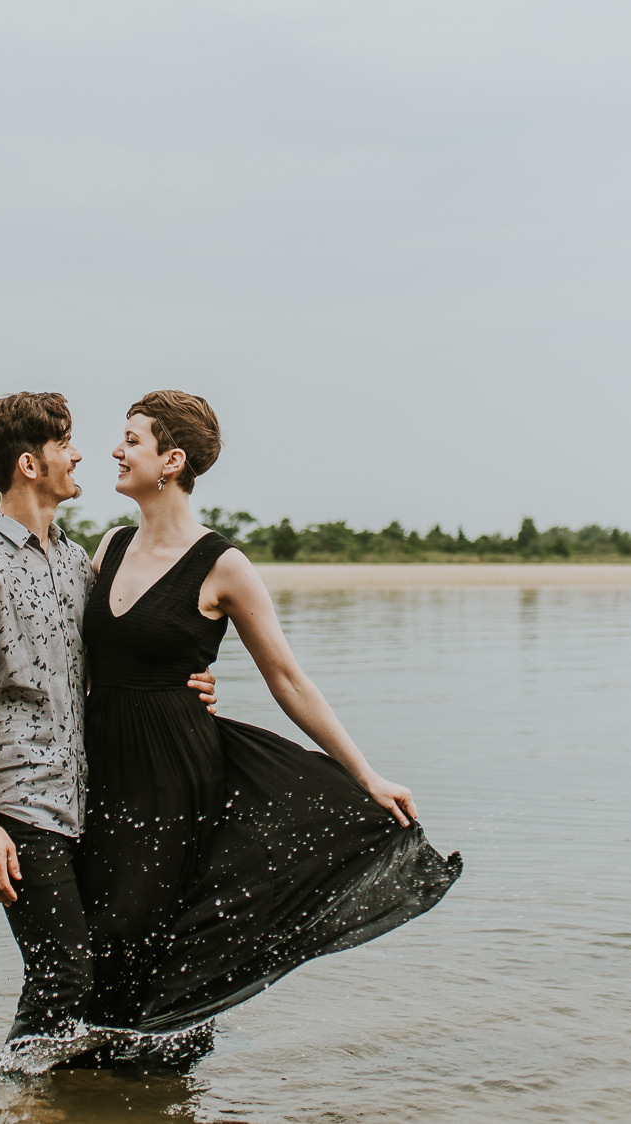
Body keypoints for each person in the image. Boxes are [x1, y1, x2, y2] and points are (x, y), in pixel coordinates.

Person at [77, 390, 461, 1042]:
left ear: (171, 460)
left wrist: (365, 775)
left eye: (132, 440)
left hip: (177, 773)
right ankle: (117, 1072)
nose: (117, 450)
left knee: (142, 927)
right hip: (104, 764)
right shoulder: (108, 547)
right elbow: (81, 662)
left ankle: (140, 1078)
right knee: (100, 930)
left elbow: (287, 678)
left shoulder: (223, 565)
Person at [0, 392, 216, 1058]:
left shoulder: (74, 560)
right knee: (62, 977)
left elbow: (120, 650)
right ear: (30, 464)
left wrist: (188, 678)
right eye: (65, 444)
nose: (81, 453)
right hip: (20, 808)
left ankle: (81, 1093)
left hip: (88, 798)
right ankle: (12, 1096)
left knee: (108, 974)